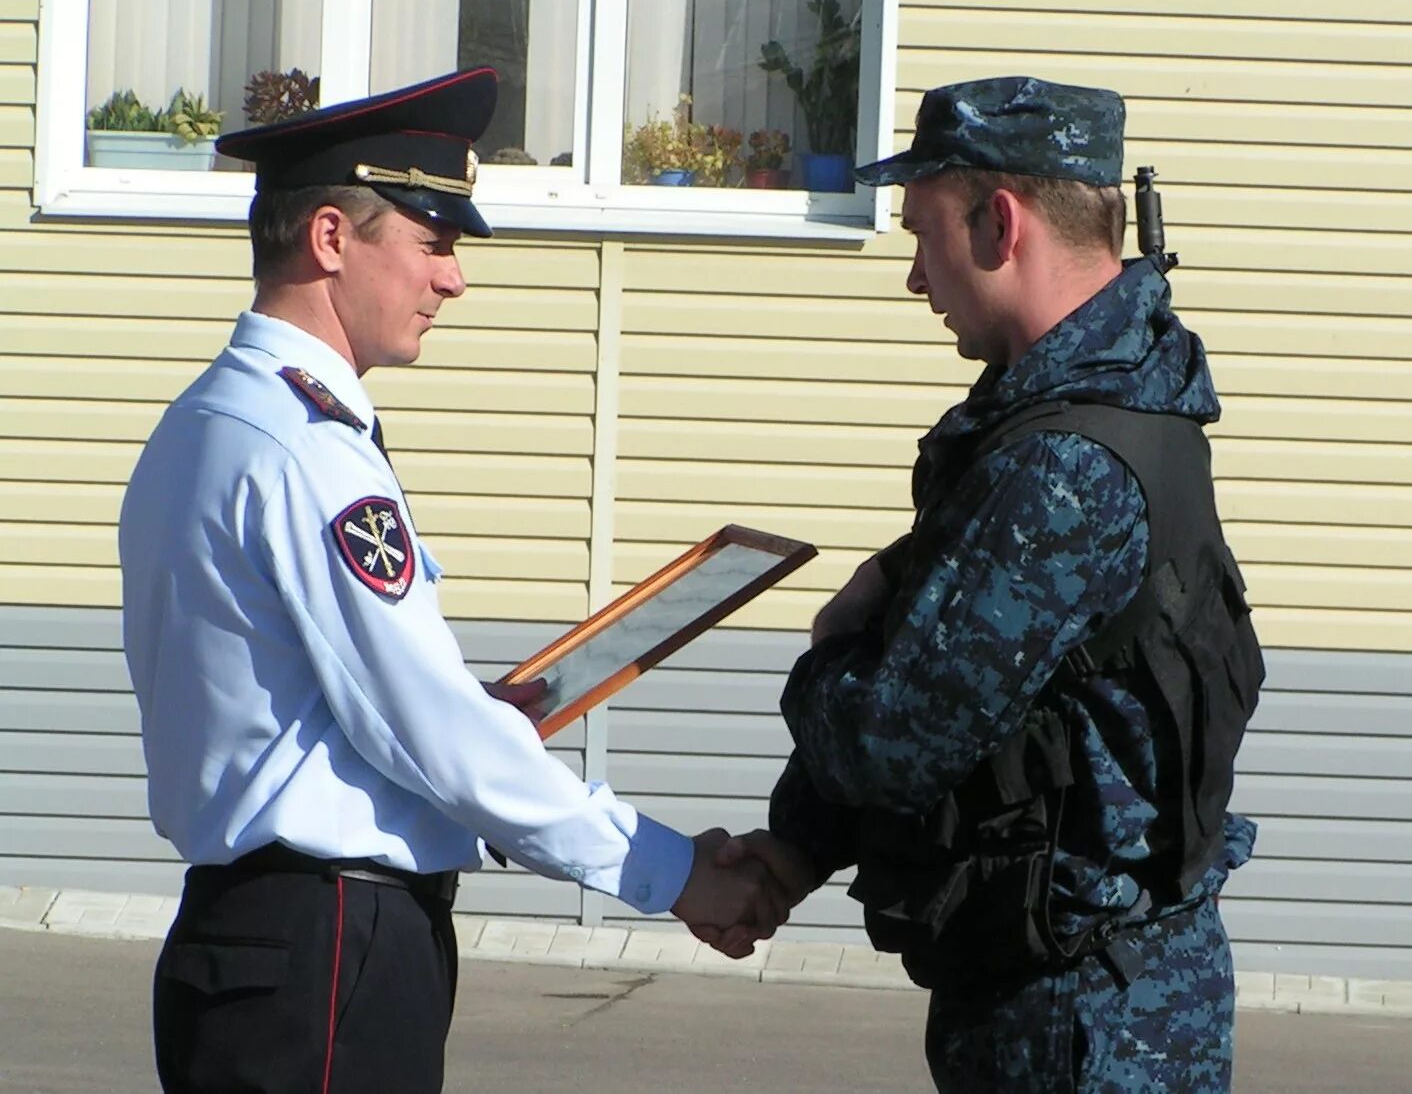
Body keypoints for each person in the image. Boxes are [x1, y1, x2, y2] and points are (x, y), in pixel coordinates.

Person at [118, 67, 788, 1094]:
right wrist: (672, 872)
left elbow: (307, 700)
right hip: (328, 942)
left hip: (263, 938)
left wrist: (468, 715)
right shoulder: (306, 451)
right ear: (332, 239)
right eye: (432, 241)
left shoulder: (210, 420)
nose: (452, 280)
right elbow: (430, 736)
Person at [703, 76, 1264, 1092]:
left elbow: (893, 739)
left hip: (1075, 1020)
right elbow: (979, 701)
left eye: (921, 234)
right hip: (1091, 995)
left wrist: (828, 647)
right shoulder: (1111, 403)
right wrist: (793, 849)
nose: (916, 278)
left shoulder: (1055, 465)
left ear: (999, 224)